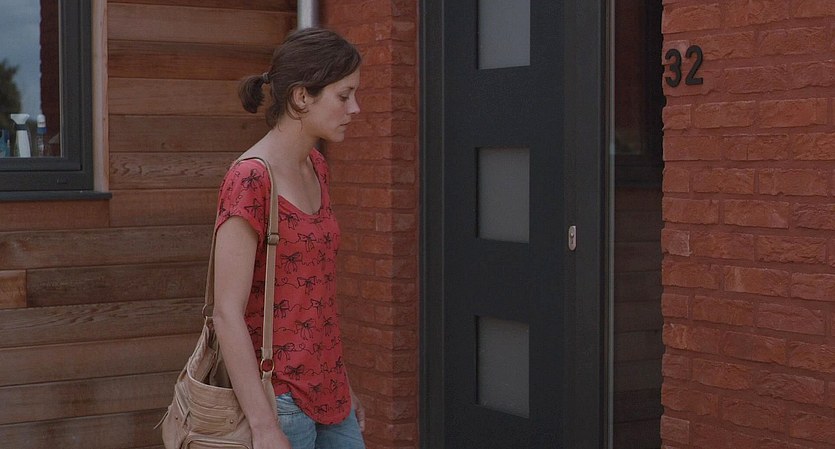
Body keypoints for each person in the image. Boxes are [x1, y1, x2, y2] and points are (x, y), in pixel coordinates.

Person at [212, 27, 365, 449]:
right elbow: (226, 312)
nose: (355, 108)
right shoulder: (250, 178)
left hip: (332, 394)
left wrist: (343, 385)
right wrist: (264, 426)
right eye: (344, 95)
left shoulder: (316, 165)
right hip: (279, 400)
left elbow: (316, 296)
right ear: (301, 97)